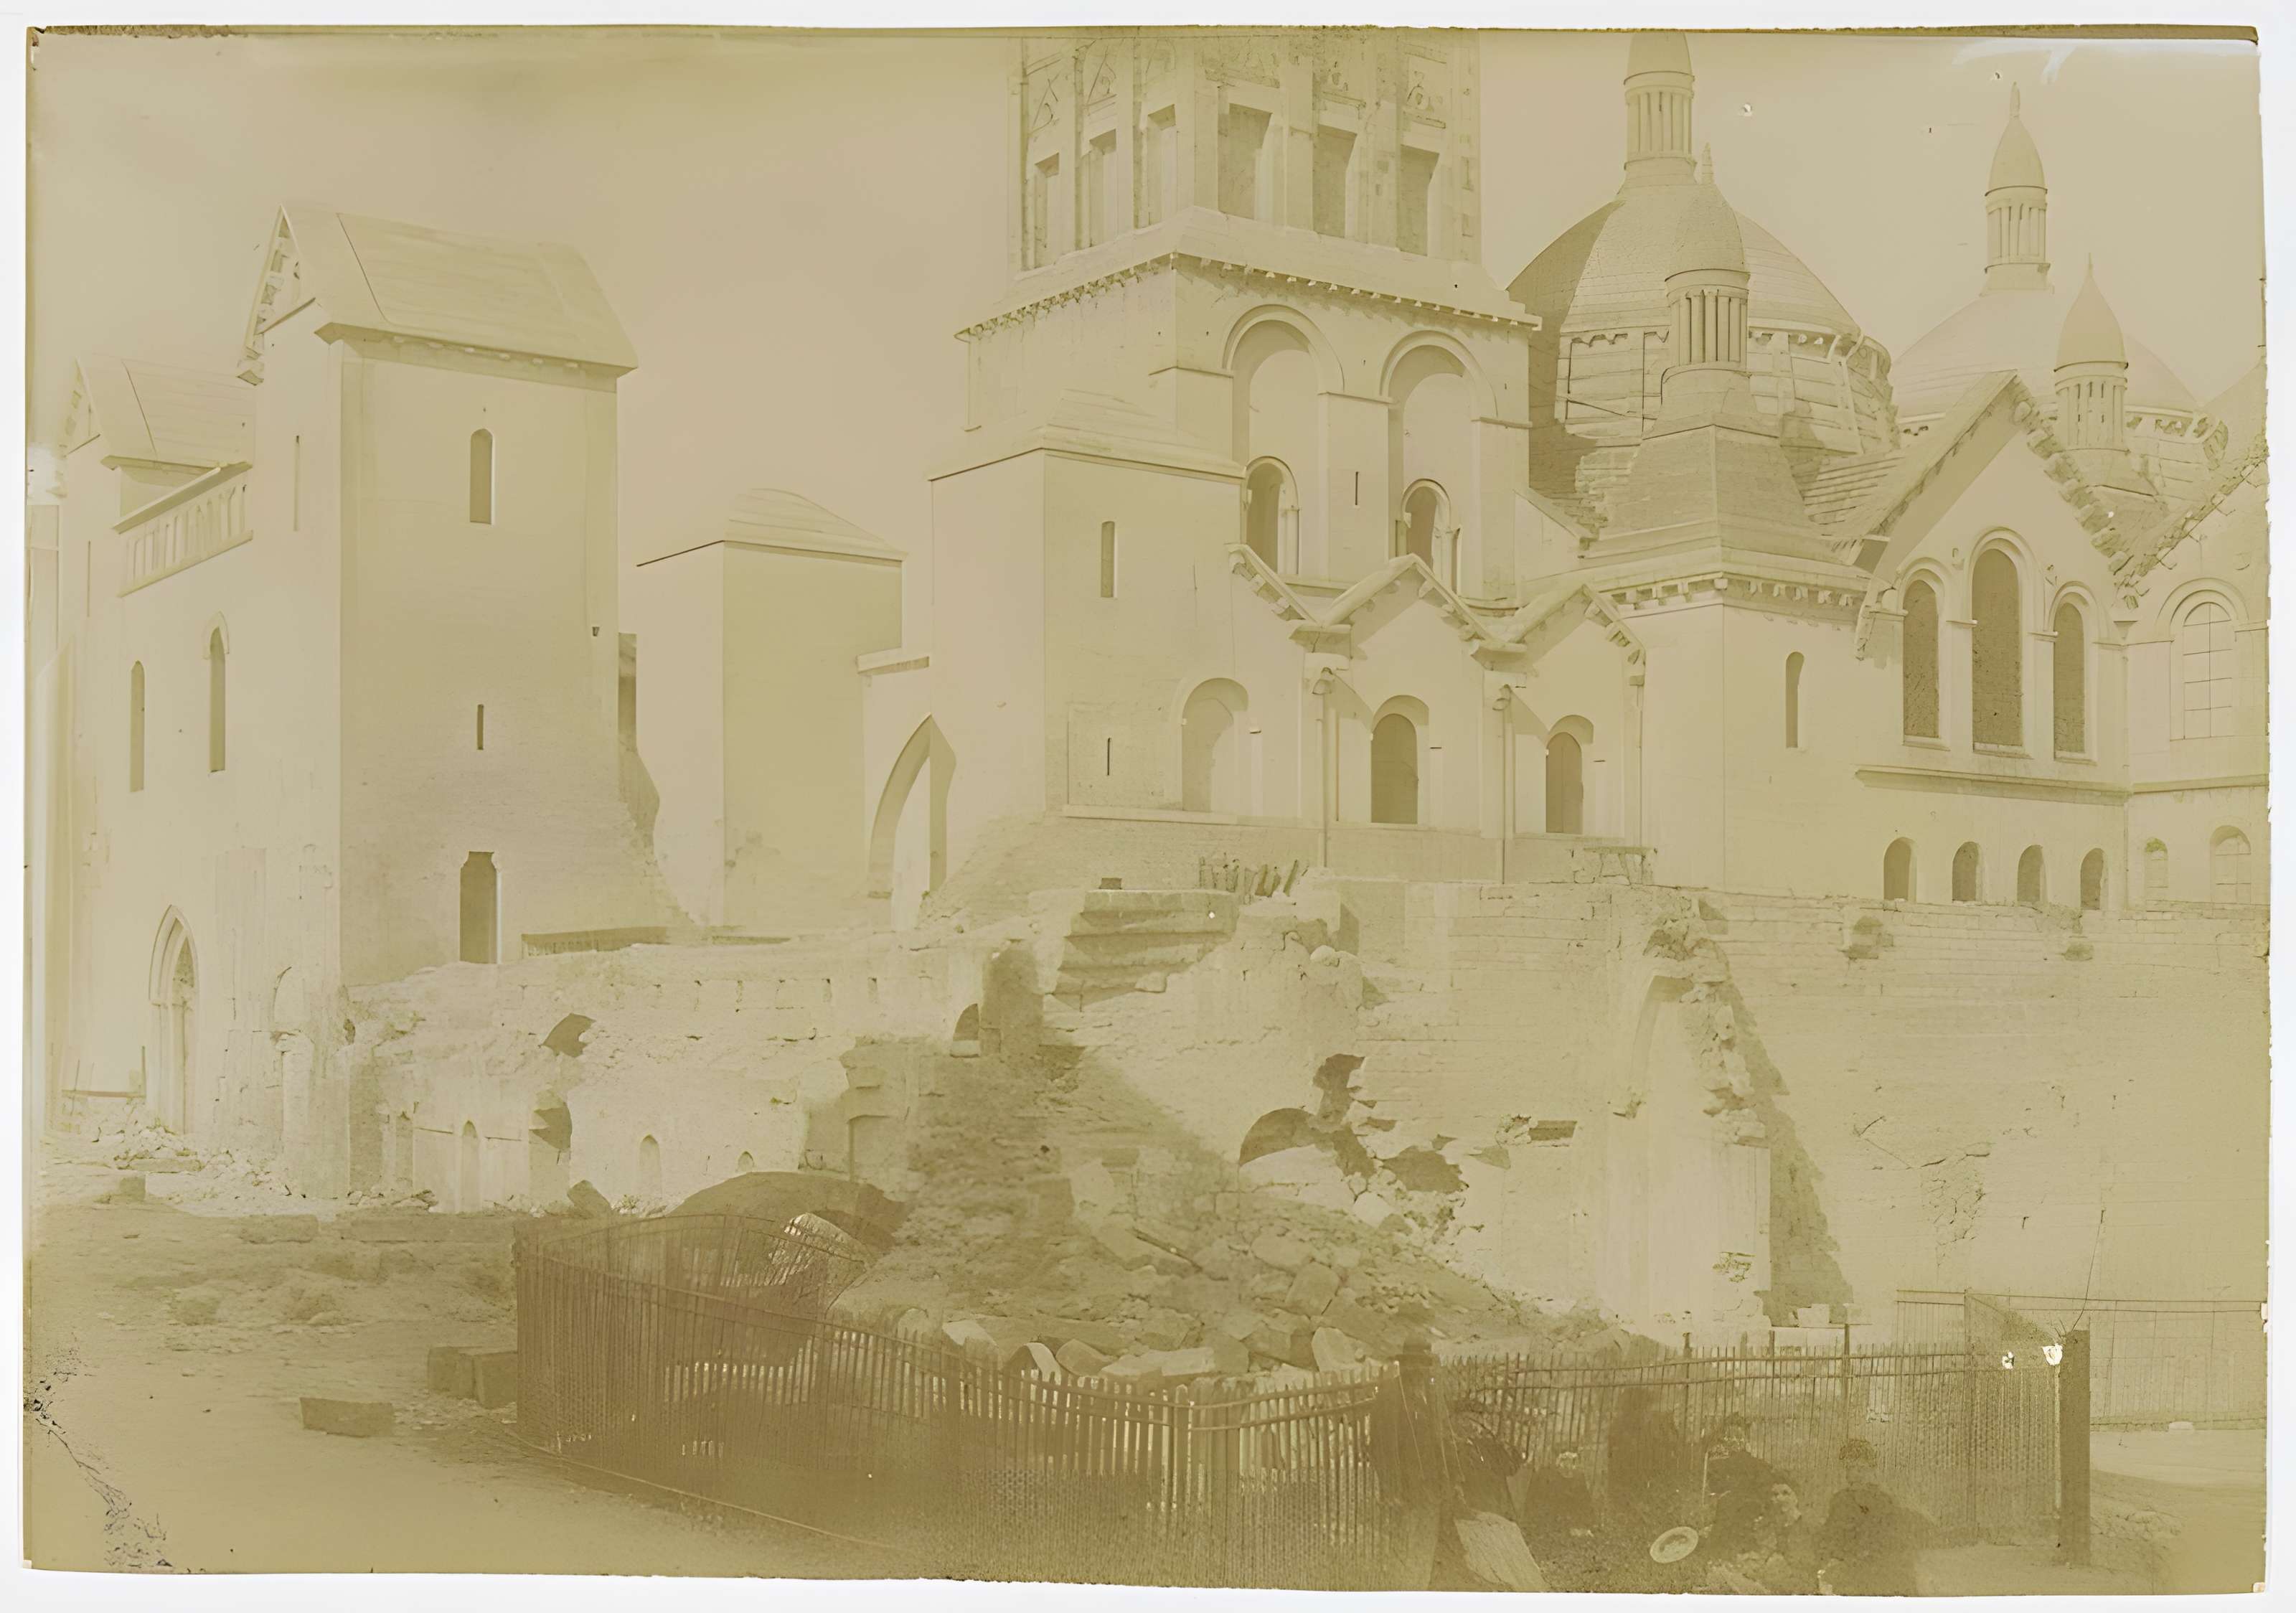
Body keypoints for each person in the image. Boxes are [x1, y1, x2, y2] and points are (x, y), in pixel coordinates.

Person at [1819, 1438, 1921, 1595]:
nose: (1856, 1474)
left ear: (1872, 1470)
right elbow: (1830, 1535)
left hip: (1877, 1569)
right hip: (1847, 1568)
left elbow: (1892, 1540)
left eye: (1861, 1469)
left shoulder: (1883, 1501)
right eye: (1851, 1468)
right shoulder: (1839, 1500)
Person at [1700, 1414, 1782, 1558]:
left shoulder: (1750, 1462)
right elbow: (1716, 1485)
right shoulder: (1723, 1459)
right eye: (1730, 1437)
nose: (1735, 1441)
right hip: (1739, 1500)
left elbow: (1762, 1482)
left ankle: (1725, 1549)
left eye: (1739, 1437)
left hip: (1748, 1500)